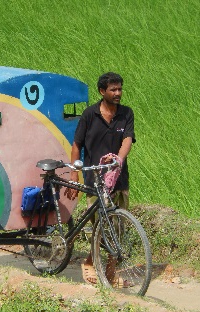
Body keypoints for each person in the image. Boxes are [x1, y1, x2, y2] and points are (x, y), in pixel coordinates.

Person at [64, 72, 136, 284]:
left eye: (120, 89)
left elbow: (128, 139)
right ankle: (90, 262)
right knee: (99, 227)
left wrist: (118, 160)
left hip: (119, 180)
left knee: (118, 228)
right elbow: (77, 145)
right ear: (102, 91)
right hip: (95, 180)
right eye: (113, 90)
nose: (118, 93)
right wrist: (74, 173)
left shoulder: (126, 114)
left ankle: (111, 272)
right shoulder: (89, 115)